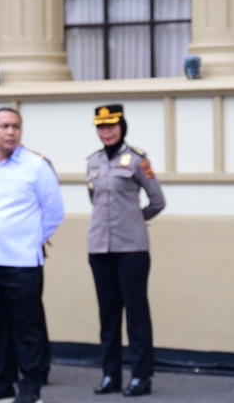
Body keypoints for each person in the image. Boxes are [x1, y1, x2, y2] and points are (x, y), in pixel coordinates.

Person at [0, 108, 64, 403]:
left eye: (16, 126)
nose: (11, 132)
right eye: (4, 126)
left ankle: (30, 388)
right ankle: (0, 383)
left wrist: (32, 240)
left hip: (21, 264)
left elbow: (54, 212)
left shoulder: (36, 166)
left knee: (27, 329)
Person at [86, 104, 165, 398]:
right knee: (107, 315)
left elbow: (157, 201)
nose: (106, 131)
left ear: (122, 126)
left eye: (111, 125)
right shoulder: (93, 161)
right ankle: (111, 375)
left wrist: (135, 219)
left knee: (136, 313)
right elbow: (95, 199)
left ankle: (141, 376)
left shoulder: (138, 160)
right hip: (99, 248)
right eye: (101, 126)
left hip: (132, 248)